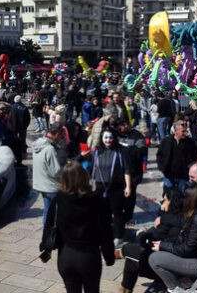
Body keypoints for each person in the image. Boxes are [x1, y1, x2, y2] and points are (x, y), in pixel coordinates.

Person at [41, 162, 115, 293]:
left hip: (66, 255)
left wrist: (45, 248)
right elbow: (106, 232)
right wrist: (109, 256)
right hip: (89, 257)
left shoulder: (58, 200)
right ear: (84, 178)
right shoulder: (99, 201)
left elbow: (48, 227)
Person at [148, 184, 197, 291]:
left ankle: (177, 289)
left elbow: (186, 250)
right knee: (164, 251)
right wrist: (163, 240)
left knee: (154, 259)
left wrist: (162, 246)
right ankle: (182, 283)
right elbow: (183, 223)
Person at [117, 188, 185, 293]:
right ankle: (125, 289)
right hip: (160, 257)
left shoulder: (170, 223)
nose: (161, 202)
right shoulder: (173, 217)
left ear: (171, 202)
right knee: (131, 260)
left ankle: (117, 255)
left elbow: (151, 241)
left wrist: (141, 235)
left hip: (160, 263)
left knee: (129, 250)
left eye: (164, 200)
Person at [91, 128, 131, 247]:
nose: (108, 140)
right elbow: (91, 168)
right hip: (100, 188)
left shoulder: (120, 151)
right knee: (102, 214)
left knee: (117, 213)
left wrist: (128, 186)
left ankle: (118, 237)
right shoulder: (97, 151)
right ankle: (104, 235)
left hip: (116, 188)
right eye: (105, 138)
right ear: (102, 138)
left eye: (110, 137)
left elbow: (127, 170)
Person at [115, 118, 148, 224]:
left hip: (134, 172)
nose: (120, 130)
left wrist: (127, 150)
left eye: (120, 127)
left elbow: (143, 151)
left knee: (130, 196)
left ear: (125, 125)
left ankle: (128, 216)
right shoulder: (117, 135)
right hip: (119, 172)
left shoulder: (137, 135)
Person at [32, 123, 63, 224]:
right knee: (53, 213)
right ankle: (49, 233)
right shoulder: (49, 149)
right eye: (61, 136)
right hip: (51, 186)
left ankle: (47, 232)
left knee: (47, 210)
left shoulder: (37, 144)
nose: (61, 139)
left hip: (40, 183)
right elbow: (56, 171)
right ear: (57, 134)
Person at [156, 120, 197, 193]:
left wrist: (190, 168)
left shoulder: (190, 142)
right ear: (176, 131)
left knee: (183, 198)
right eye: (183, 131)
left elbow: (195, 156)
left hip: (183, 176)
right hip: (169, 175)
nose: (185, 133)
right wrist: (161, 167)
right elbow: (159, 155)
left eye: (186, 131)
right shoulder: (166, 141)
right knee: (168, 197)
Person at [9, 95, 31, 164]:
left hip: (15, 127)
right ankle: (22, 150)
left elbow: (10, 118)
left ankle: (15, 151)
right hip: (23, 127)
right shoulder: (24, 108)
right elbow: (28, 118)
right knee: (23, 139)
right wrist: (26, 125)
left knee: (14, 139)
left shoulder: (12, 107)